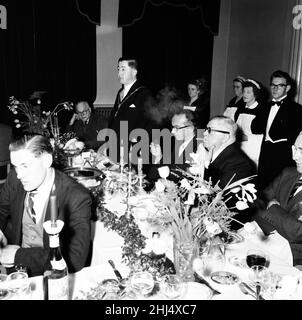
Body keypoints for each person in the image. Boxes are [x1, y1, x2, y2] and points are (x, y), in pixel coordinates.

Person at [0, 135, 92, 276]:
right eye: (15, 166)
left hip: (52, 276)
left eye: (25, 166)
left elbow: (75, 259)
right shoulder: (15, 178)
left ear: (47, 160)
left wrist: (18, 255)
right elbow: (1, 208)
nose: (19, 175)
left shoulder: (77, 197)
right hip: (14, 272)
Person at [253, 131, 302, 266]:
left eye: (301, 151)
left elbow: (298, 232)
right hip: (265, 241)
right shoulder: (288, 173)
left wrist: (274, 207)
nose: (294, 156)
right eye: (294, 148)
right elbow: (258, 203)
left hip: (294, 260)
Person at [251, 70, 302, 191]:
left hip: (284, 155)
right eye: (273, 85)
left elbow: (296, 138)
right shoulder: (265, 107)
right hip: (265, 152)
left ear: (288, 88)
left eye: (279, 86)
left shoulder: (297, 109)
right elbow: (255, 128)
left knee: (280, 189)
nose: (275, 88)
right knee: (263, 187)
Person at [98, 57, 152, 162]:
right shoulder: (120, 92)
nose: (119, 73)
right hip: (114, 146)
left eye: (123, 69)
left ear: (134, 72)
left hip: (131, 150)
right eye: (118, 69)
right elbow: (114, 121)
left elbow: (149, 123)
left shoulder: (143, 94)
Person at [147, 108, 202, 182]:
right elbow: (153, 176)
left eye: (176, 127)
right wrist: (158, 156)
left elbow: (179, 178)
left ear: (190, 128)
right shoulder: (179, 144)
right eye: (172, 127)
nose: (172, 132)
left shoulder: (199, 147)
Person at [202, 115, 256, 189]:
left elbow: (216, 195)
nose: (204, 133)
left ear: (225, 137)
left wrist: (206, 163)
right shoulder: (209, 152)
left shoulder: (240, 164)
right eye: (205, 129)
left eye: (210, 130)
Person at [235, 79, 264, 168]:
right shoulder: (240, 109)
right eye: (244, 91)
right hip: (241, 146)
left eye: (248, 92)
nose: (245, 94)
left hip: (253, 148)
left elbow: (259, 132)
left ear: (255, 94)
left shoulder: (261, 109)